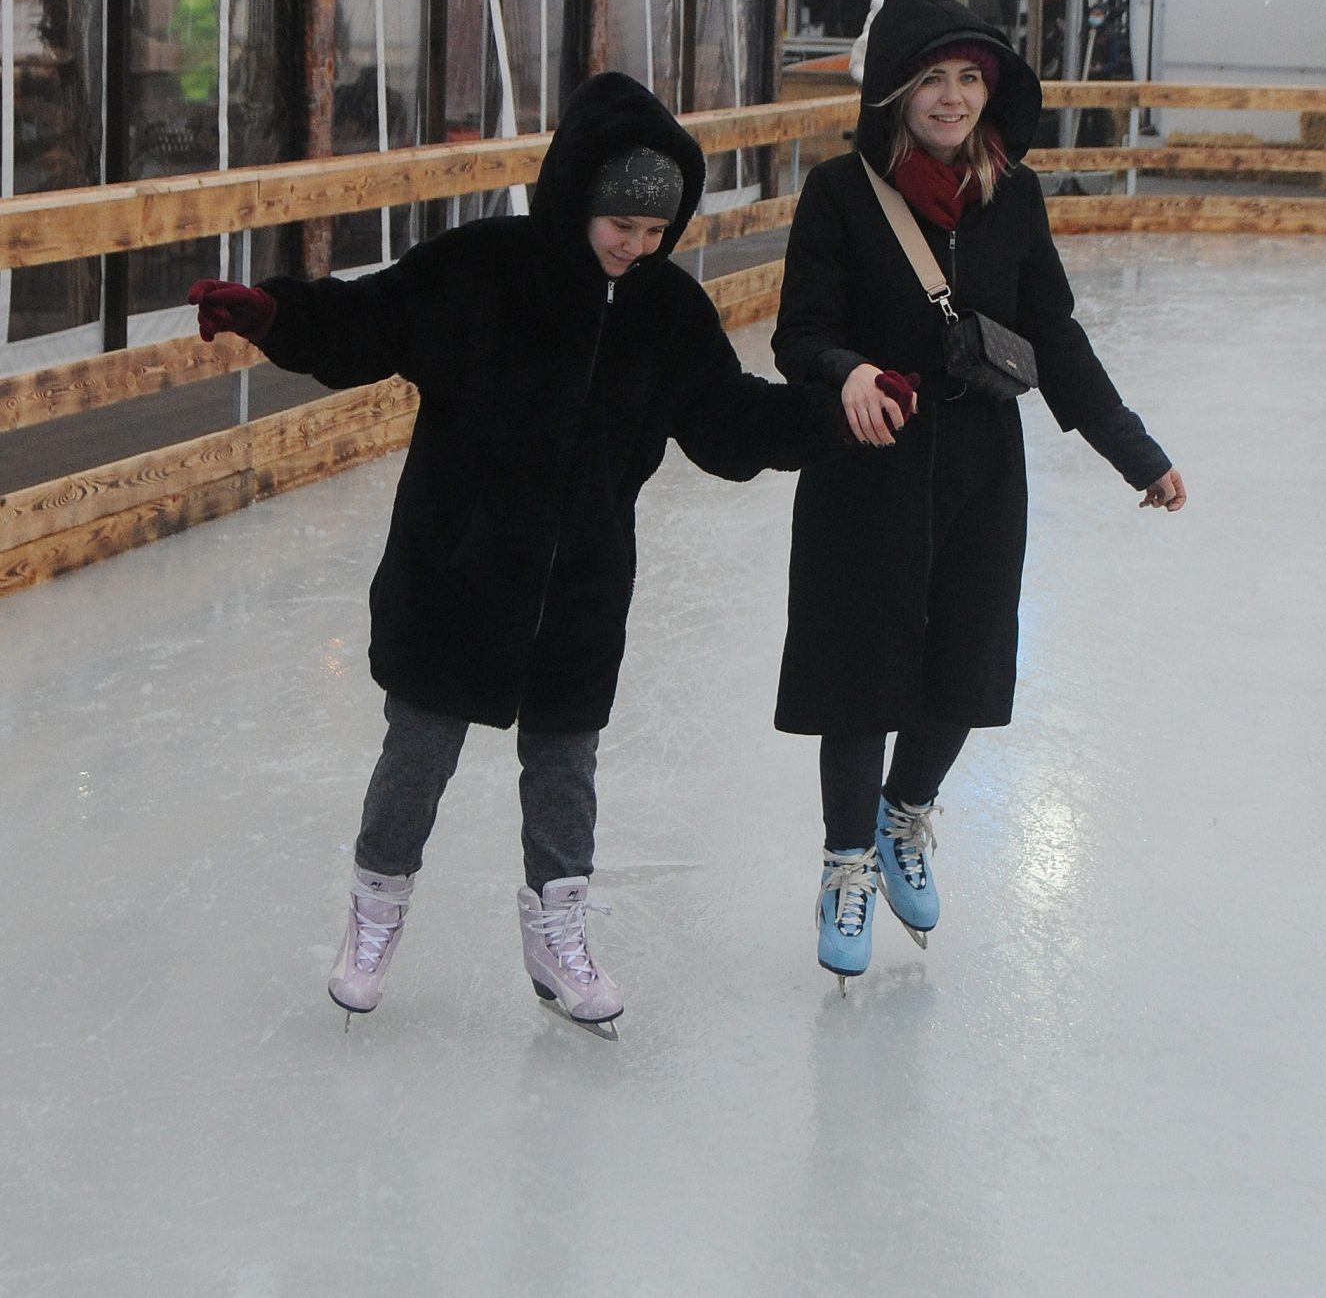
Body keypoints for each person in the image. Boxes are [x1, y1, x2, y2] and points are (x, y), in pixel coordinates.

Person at [187, 72, 862, 1035]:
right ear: (579, 194)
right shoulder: (484, 268)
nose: (636, 246)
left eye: (655, 232)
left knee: (564, 766)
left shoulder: (666, 310)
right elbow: (366, 323)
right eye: (620, 224)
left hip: (581, 587)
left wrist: (832, 415)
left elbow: (729, 421)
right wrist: (273, 314)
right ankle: (375, 912)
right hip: (455, 571)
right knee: (416, 756)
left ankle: (559, 932)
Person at [771, 0, 1186, 985]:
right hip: (865, 471)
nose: (952, 98)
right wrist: (847, 374)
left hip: (977, 475)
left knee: (964, 665)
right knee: (861, 677)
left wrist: (1135, 449)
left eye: (968, 78)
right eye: (932, 79)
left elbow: (1054, 337)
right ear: (897, 90)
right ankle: (844, 862)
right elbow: (799, 334)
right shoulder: (838, 193)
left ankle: (903, 809)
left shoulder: (1016, 197)